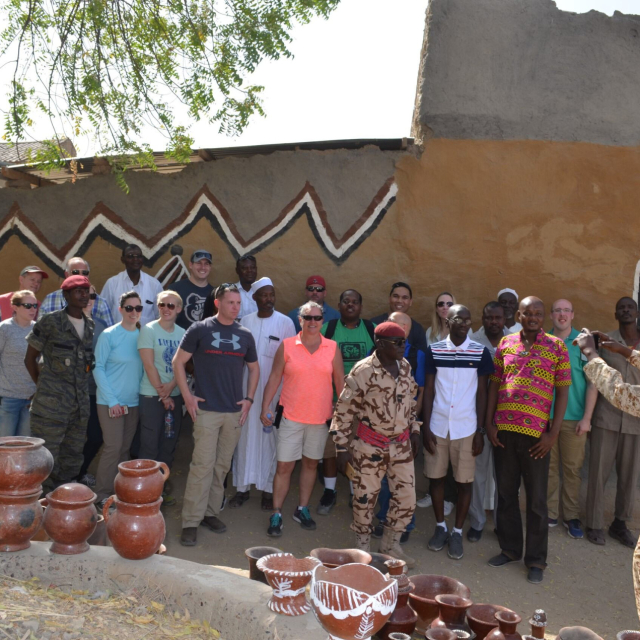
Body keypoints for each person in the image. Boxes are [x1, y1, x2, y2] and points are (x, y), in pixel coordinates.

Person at [485, 296, 571, 584]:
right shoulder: (505, 344)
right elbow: (495, 384)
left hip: (537, 437)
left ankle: (536, 560)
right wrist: (489, 423)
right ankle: (510, 550)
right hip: (504, 433)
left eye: (538, 313)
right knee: (506, 494)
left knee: (535, 500)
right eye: (527, 313)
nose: (533, 317)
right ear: (518, 316)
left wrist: (553, 434)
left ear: (543, 317)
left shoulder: (557, 347)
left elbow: (562, 393)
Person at [173, 284, 259, 546]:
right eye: (230, 302)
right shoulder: (200, 329)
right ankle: (190, 521)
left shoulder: (244, 334)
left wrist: (249, 399)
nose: (236, 307)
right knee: (202, 466)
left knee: (221, 467)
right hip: (207, 410)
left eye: (238, 303)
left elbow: (254, 369)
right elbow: (178, 362)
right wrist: (187, 396)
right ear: (218, 303)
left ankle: (210, 513)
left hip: (233, 413)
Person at [331, 322, 421, 568]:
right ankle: (362, 550)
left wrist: (414, 429)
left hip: (401, 447)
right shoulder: (363, 371)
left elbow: (410, 402)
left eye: (404, 341)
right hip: (370, 446)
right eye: (397, 342)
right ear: (380, 344)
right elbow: (344, 411)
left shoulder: (405, 367)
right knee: (364, 498)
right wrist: (341, 448)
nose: (403, 346)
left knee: (406, 499)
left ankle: (391, 546)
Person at [260, 301, 344, 537]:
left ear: (323, 321)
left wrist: (343, 414)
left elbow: (340, 383)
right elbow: (275, 377)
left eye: (317, 318)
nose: (313, 322)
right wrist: (265, 406)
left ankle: (302, 509)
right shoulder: (287, 346)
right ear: (300, 320)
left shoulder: (332, 347)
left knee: (309, 464)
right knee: (284, 466)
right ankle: (276, 513)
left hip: (320, 419)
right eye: (308, 317)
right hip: (290, 417)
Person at [422, 304, 494, 560]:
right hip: (438, 427)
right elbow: (428, 390)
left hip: (466, 428)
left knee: (464, 483)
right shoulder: (435, 350)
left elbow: (483, 393)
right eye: (458, 320)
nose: (464, 324)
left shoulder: (480, 352)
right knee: (436, 478)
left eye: (467, 320)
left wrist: (480, 431)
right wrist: (427, 427)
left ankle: (457, 531)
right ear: (448, 322)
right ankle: (440, 526)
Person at [230, 277, 296, 510]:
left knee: (271, 438)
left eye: (272, 294)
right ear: (255, 297)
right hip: (247, 389)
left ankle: (269, 489)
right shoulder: (245, 321)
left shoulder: (285, 322)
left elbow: (290, 359)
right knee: (245, 437)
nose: (269, 299)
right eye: (264, 295)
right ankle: (242, 488)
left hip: (274, 390)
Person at [24, 276, 94, 494]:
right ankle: (41, 507)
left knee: (72, 459)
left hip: (78, 408)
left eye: (86, 291)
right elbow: (30, 358)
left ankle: (62, 505)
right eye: (78, 291)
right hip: (50, 409)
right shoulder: (50, 322)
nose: (84, 295)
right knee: (45, 460)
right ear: (66, 295)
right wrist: (44, 388)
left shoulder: (90, 326)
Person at [584, 297, 640, 548]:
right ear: (615, 313)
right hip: (606, 417)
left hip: (635, 421)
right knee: (598, 472)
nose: (626, 310)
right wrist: (588, 418)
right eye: (621, 307)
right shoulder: (605, 342)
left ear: (637, 312)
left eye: (630, 307)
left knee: (630, 475)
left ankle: (620, 523)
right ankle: (594, 524)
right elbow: (596, 379)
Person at [316, 289, 376, 515]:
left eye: (355, 302)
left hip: (362, 403)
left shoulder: (370, 330)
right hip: (331, 400)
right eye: (346, 301)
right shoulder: (328, 329)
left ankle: (354, 491)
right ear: (338, 305)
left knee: (356, 448)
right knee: (330, 449)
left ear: (361, 306)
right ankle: (329, 491)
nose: (350, 305)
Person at [546, 299, 598, 539]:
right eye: (557, 310)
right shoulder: (542, 341)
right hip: (546, 418)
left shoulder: (584, 342)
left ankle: (571, 516)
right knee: (548, 468)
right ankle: (550, 513)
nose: (562, 314)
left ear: (573, 315)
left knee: (572, 470)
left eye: (566, 310)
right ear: (551, 315)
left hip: (575, 418)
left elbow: (593, 383)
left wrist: (587, 418)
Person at [373, 310, 425, 543]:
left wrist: (413, 425)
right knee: (383, 482)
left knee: (404, 484)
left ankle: (405, 526)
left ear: (406, 329)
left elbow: (419, 392)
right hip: (377, 433)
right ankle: (384, 520)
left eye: (396, 326)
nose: (391, 329)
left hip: (402, 431)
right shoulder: (374, 355)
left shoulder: (415, 357)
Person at [93, 291, 144, 507]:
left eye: (138, 308)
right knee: (113, 447)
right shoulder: (109, 334)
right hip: (110, 402)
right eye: (129, 308)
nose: (134, 312)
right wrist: (112, 401)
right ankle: (102, 494)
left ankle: (119, 491)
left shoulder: (143, 335)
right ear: (120, 309)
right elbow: (98, 367)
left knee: (125, 448)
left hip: (134, 402)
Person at [137, 290, 186, 496]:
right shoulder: (149, 330)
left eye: (171, 306)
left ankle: (161, 485)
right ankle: (145, 488)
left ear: (179, 309)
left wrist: (173, 385)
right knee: (150, 443)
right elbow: (149, 365)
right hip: (151, 395)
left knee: (169, 443)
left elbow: (183, 365)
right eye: (162, 305)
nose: (166, 309)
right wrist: (163, 394)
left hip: (174, 395)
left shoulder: (183, 333)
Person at [467, 301, 505, 542]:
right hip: (478, 418)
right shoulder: (472, 342)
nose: (493, 322)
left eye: (498, 318)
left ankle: (503, 524)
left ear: (504, 319)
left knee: (504, 476)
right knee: (478, 474)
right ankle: (477, 522)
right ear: (483, 318)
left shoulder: (514, 341)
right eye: (489, 317)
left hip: (507, 419)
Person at [76, 285, 109, 487]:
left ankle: (80, 473)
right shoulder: (62, 323)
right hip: (69, 393)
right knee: (72, 439)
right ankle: (63, 480)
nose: (88, 299)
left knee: (96, 437)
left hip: (94, 392)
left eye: (93, 296)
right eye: (83, 294)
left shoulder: (102, 325)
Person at [0, 291, 38, 437]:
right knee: (5, 446)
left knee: (25, 447)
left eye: (35, 305)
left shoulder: (39, 330)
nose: (33, 309)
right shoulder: (4, 329)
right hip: (8, 398)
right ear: (15, 307)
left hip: (31, 398)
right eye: (28, 305)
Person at [101, 244, 163, 326]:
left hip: (146, 337)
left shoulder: (154, 285)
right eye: (130, 256)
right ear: (122, 260)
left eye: (139, 256)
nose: (135, 259)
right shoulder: (112, 284)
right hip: (118, 337)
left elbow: (160, 315)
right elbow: (101, 313)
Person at [372, 282, 428, 373]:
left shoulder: (417, 329)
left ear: (410, 302)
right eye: (396, 296)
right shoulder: (374, 324)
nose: (399, 300)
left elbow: (421, 363)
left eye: (405, 297)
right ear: (389, 299)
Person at [41, 257, 114, 327]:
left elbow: (110, 335)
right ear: (67, 274)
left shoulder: (100, 302)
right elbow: (38, 333)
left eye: (85, 272)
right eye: (76, 272)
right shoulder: (49, 301)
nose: (81, 276)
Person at [171, 250, 213, 329]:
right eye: (198, 263)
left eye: (206, 264)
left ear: (210, 267)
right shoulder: (175, 290)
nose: (203, 267)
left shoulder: (215, 293)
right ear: (190, 265)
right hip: (179, 339)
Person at [234, 255, 258, 320]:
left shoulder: (262, 292)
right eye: (244, 268)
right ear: (237, 271)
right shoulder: (231, 292)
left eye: (252, 267)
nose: (249, 271)